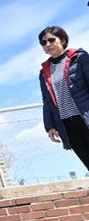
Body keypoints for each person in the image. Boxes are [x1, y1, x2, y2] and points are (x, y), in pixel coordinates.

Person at [39, 26, 89, 169]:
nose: (47, 45)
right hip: (67, 125)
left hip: (85, 117)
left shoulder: (79, 58)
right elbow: (46, 101)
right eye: (43, 43)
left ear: (62, 40)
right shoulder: (44, 72)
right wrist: (49, 126)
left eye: (51, 40)